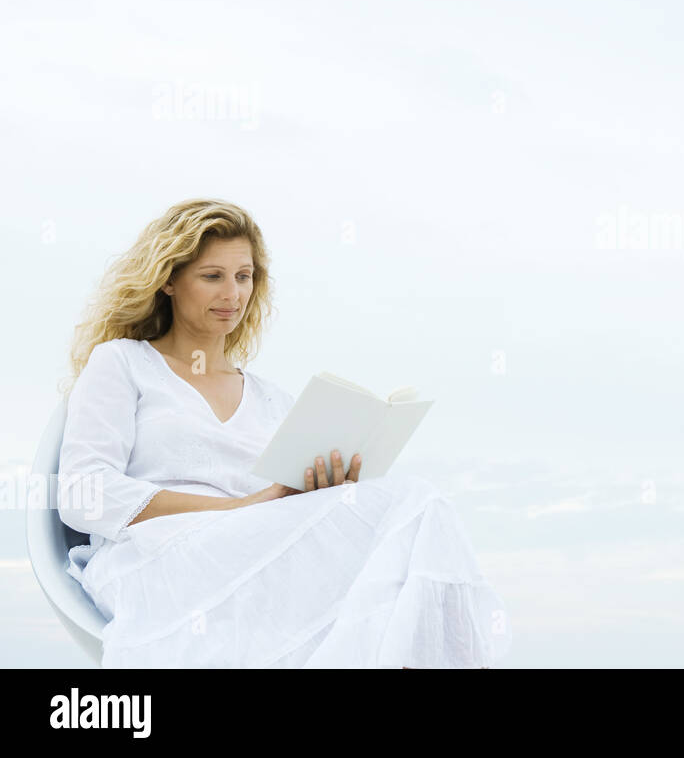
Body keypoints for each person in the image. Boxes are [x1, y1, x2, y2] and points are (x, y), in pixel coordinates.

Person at [56, 198, 510, 668]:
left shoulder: (272, 399)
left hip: (256, 556)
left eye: (244, 276)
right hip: (158, 560)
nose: (232, 293)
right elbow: (82, 493)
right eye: (212, 276)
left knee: (404, 521)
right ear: (169, 280)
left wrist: (323, 495)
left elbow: (278, 510)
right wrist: (236, 509)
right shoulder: (124, 363)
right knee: (415, 501)